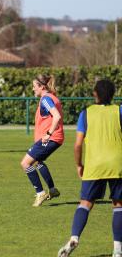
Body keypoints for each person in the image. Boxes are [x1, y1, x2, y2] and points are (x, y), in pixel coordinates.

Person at [58, 79, 122, 257]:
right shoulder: (120, 111)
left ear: (95, 94)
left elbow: (77, 145)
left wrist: (79, 165)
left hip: (94, 164)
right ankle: (117, 250)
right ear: (112, 94)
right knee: (118, 205)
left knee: (85, 203)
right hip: (117, 163)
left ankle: (74, 237)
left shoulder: (85, 114)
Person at [20, 74, 63, 207]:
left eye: (34, 87)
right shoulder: (52, 97)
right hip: (55, 138)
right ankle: (52, 190)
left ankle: (40, 193)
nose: (33, 89)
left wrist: (48, 133)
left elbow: (56, 116)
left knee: (25, 163)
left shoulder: (45, 99)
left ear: (42, 87)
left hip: (51, 137)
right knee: (38, 162)